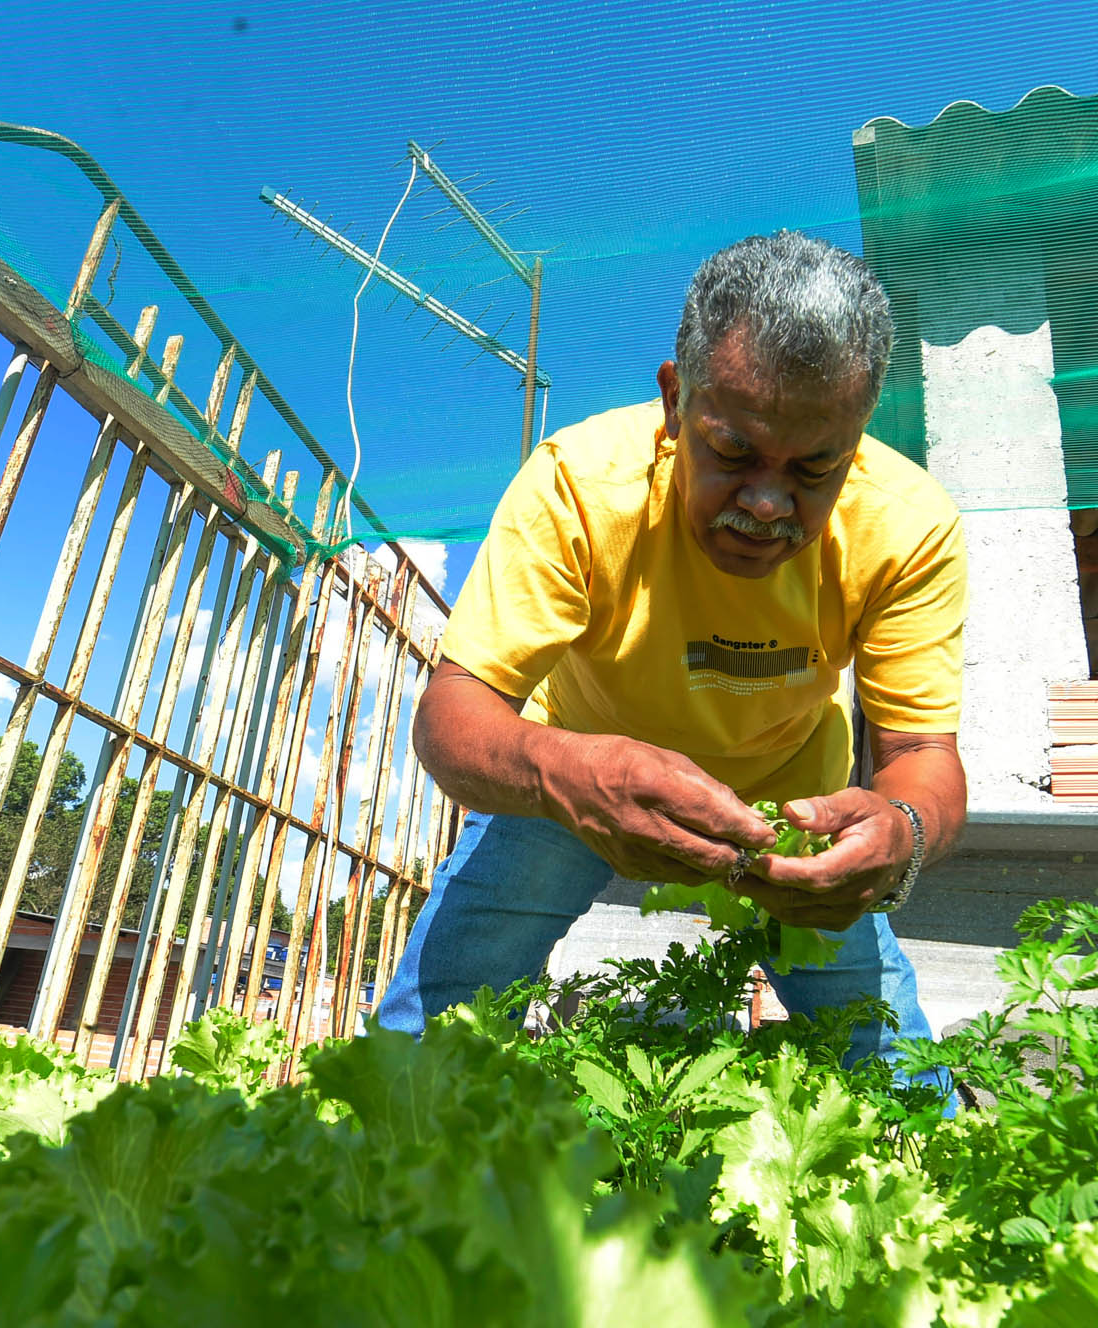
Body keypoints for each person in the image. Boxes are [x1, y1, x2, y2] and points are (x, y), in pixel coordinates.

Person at [376, 230, 968, 1072]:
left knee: (894, 1076)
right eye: (732, 451)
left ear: (859, 433)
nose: (767, 503)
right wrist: (563, 776)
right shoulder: (578, 484)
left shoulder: (910, 527)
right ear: (674, 401)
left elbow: (921, 756)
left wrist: (901, 831)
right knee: (425, 1047)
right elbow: (452, 716)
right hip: (579, 775)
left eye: (815, 469)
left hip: (791, 811)